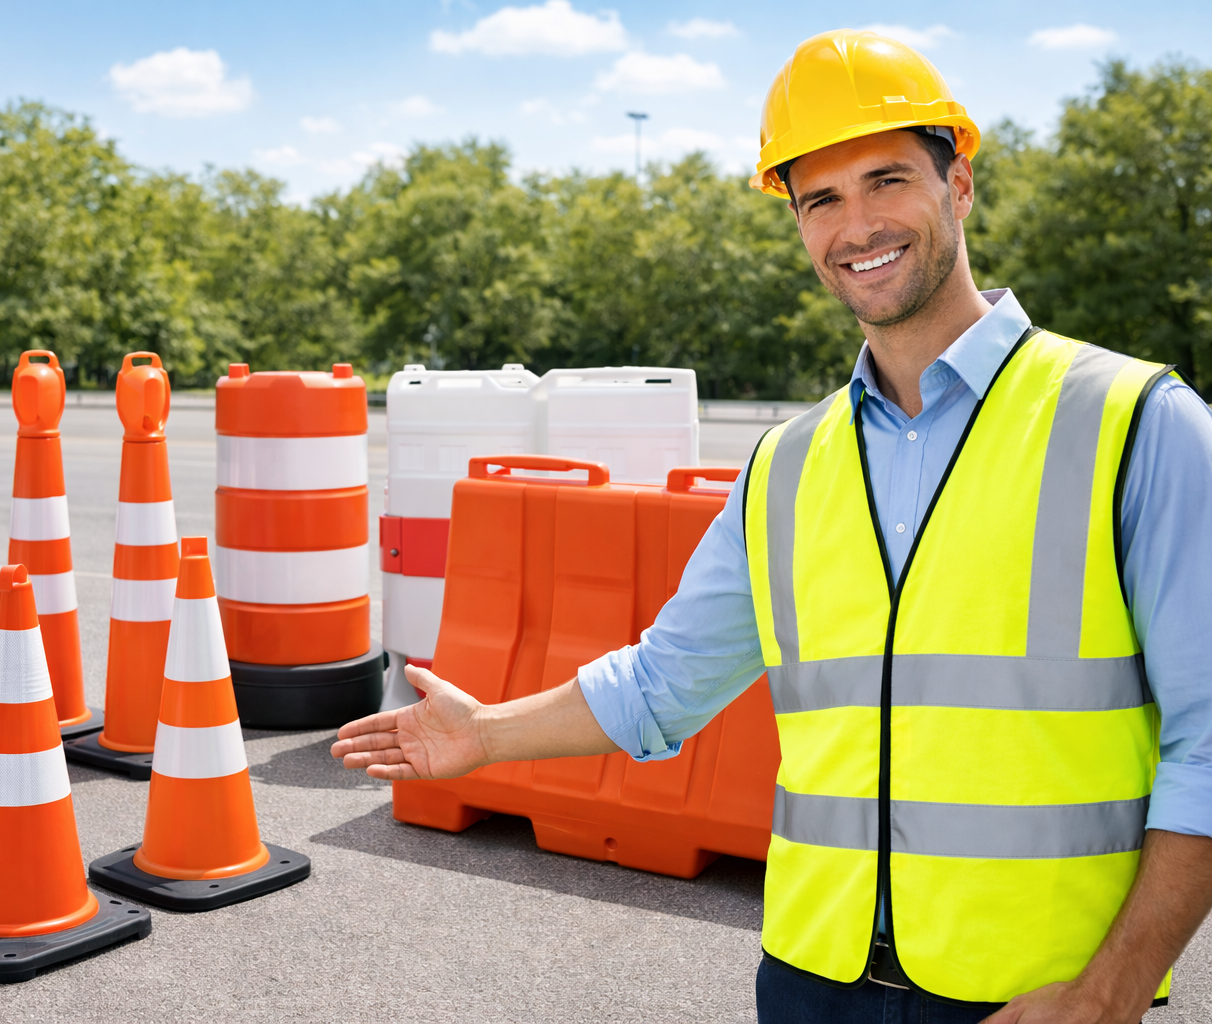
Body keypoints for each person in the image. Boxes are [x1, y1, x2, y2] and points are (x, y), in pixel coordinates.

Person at [332, 28, 1212, 1024]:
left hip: (1035, 997)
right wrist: (488, 735)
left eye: (887, 180)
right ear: (796, 224)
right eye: (821, 199)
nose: (857, 225)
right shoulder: (785, 469)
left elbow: (1210, 738)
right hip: (809, 983)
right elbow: (664, 686)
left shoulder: (1138, 424)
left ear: (959, 184)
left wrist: (1114, 987)